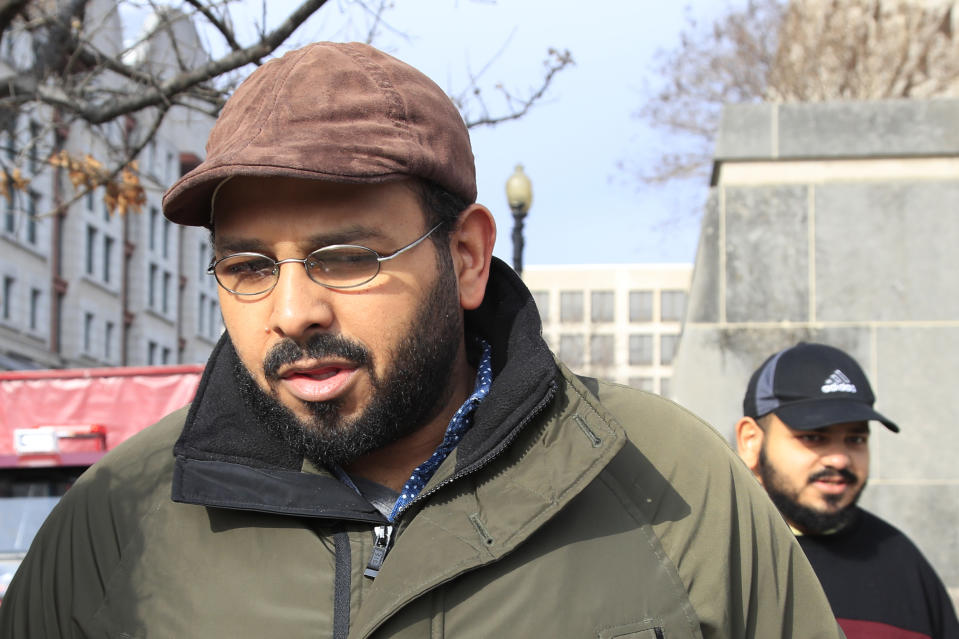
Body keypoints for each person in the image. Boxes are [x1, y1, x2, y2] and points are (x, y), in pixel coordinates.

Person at [1, 42, 842, 638]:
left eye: (345, 257)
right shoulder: (117, 517)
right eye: (249, 266)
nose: (292, 312)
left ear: (468, 257)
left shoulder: (672, 482)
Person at [736, 342, 959, 639]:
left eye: (855, 439)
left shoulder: (904, 565)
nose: (839, 459)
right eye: (814, 437)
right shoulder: (717, 556)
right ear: (751, 441)